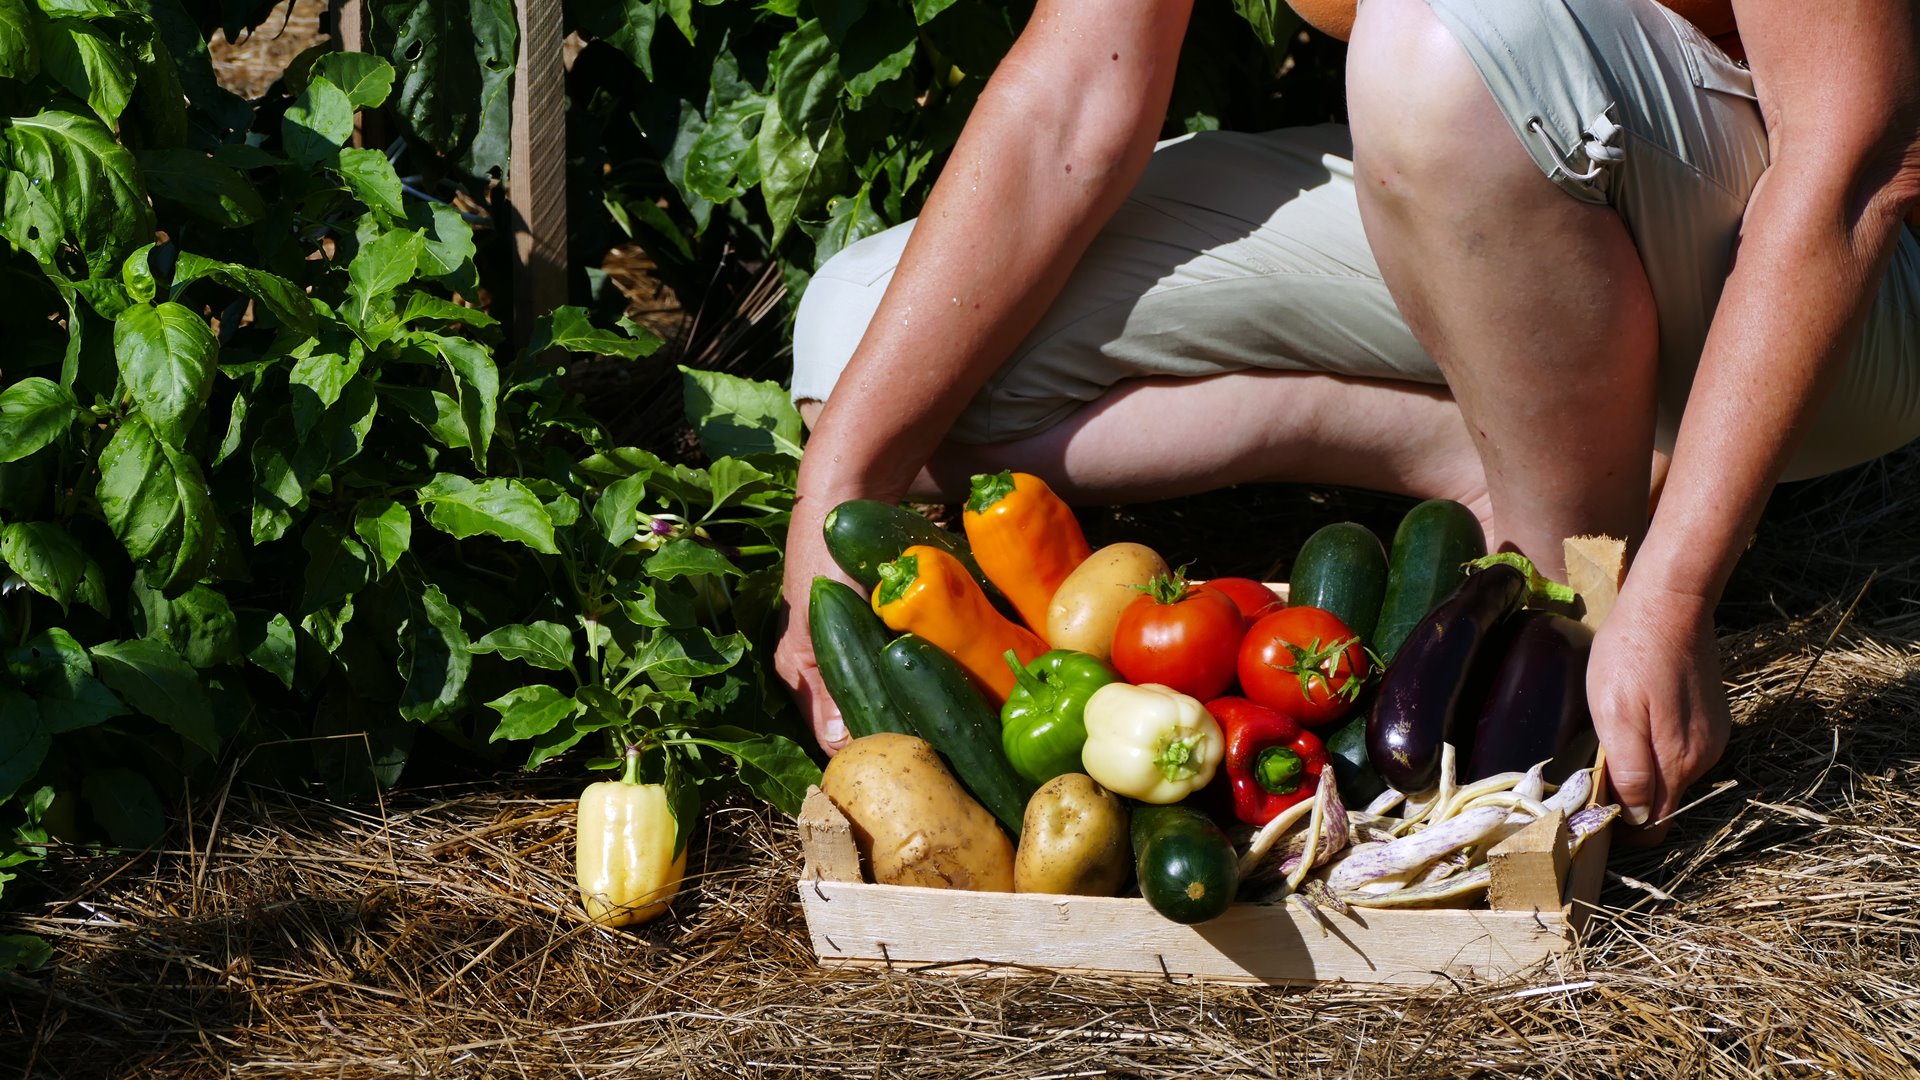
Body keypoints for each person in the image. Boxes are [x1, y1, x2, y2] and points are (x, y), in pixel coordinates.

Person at [773, 0, 1920, 844]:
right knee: (862, 346)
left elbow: (1855, 162)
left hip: (1843, 294)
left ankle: (1573, 593)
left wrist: (1673, 592)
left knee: (1442, 44)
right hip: (1529, 201)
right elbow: (1069, 104)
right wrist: (831, 494)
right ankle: (1492, 441)